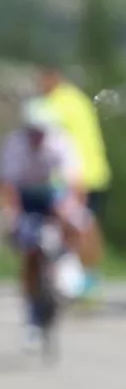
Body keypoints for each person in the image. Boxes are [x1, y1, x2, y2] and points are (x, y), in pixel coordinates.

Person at [0, 99, 88, 345]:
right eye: (33, 132)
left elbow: (76, 183)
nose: (37, 137)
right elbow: (8, 187)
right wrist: (11, 214)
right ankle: (31, 317)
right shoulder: (14, 145)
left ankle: (69, 262)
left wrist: (70, 208)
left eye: (42, 132)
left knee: (78, 220)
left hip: (53, 193)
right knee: (29, 250)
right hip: (26, 196)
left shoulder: (61, 142)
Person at [38, 66, 109, 294]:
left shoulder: (56, 104)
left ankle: (79, 278)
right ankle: (87, 277)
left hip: (75, 176)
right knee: (87, 226)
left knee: (74, 227)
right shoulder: (77, 98)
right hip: (93, 171)